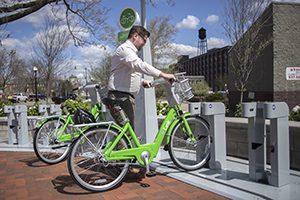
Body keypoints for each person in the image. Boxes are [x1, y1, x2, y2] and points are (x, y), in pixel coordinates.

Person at [107, 25, 175, 129]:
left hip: (122, 96)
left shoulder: (129, 51)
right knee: (126, 133)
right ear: (135, 36)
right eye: (144, 40)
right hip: (120, 96)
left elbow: (129, 72)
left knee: (125, 132)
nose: (144, 44)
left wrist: (141, 81)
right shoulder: (124, 49)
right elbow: (139, 65)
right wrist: (163, 74)